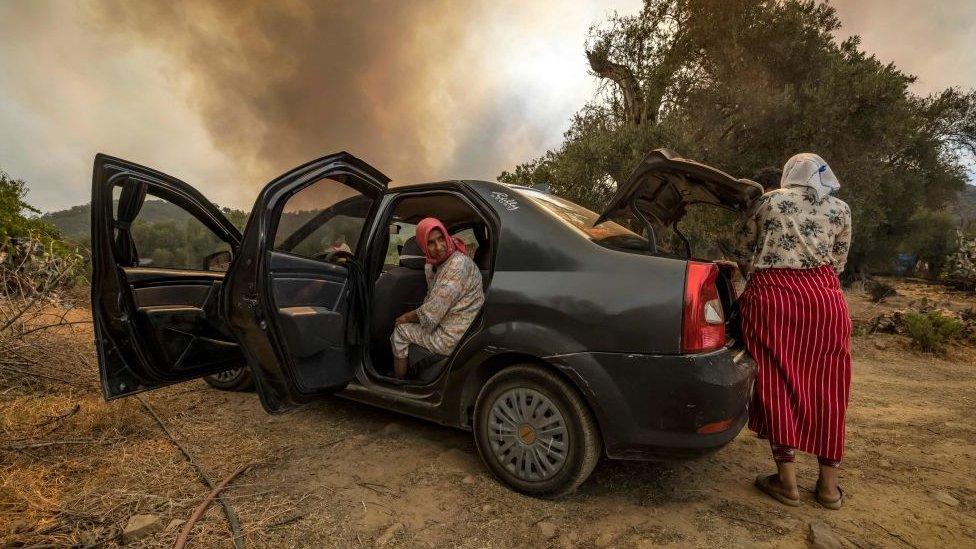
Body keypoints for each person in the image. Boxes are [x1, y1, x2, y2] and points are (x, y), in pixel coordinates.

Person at [732, 153, 853, 509]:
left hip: (772, 299)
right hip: (825, 301)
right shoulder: (841, 210)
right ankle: (829, 489)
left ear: (788, 174)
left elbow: (742, 249)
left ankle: (787, 483)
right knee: (830, 386)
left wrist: (758, 269)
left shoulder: (767, 201)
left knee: (775, 379)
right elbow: (839, 261)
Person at [390, 217, 484, 379]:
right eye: (431, 243)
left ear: (447, 236)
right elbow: (432, 298)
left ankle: (398, 383)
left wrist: (406, 318)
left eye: (441, 239)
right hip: (457, 328)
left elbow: (432, 312)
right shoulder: (439, 263)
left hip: (454, 337)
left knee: (400, 331)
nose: (439, 247)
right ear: (423, 247)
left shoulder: (457, 265)